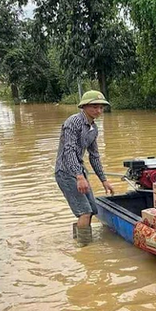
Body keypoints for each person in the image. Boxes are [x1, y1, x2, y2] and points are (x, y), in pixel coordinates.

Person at [54, 90, 115, 244]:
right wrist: (79, 176)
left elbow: (94, 156)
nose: (98, 110)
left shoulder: (93, 128)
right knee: (85, 212)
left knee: (93, 210)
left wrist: (104, 180)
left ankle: (78, 240)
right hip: (66, 171)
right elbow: (68, 151)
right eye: (94, 107)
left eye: (101, 107)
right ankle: (84, 249)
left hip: (79, 171)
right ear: (84, 106)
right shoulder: (72, 123)